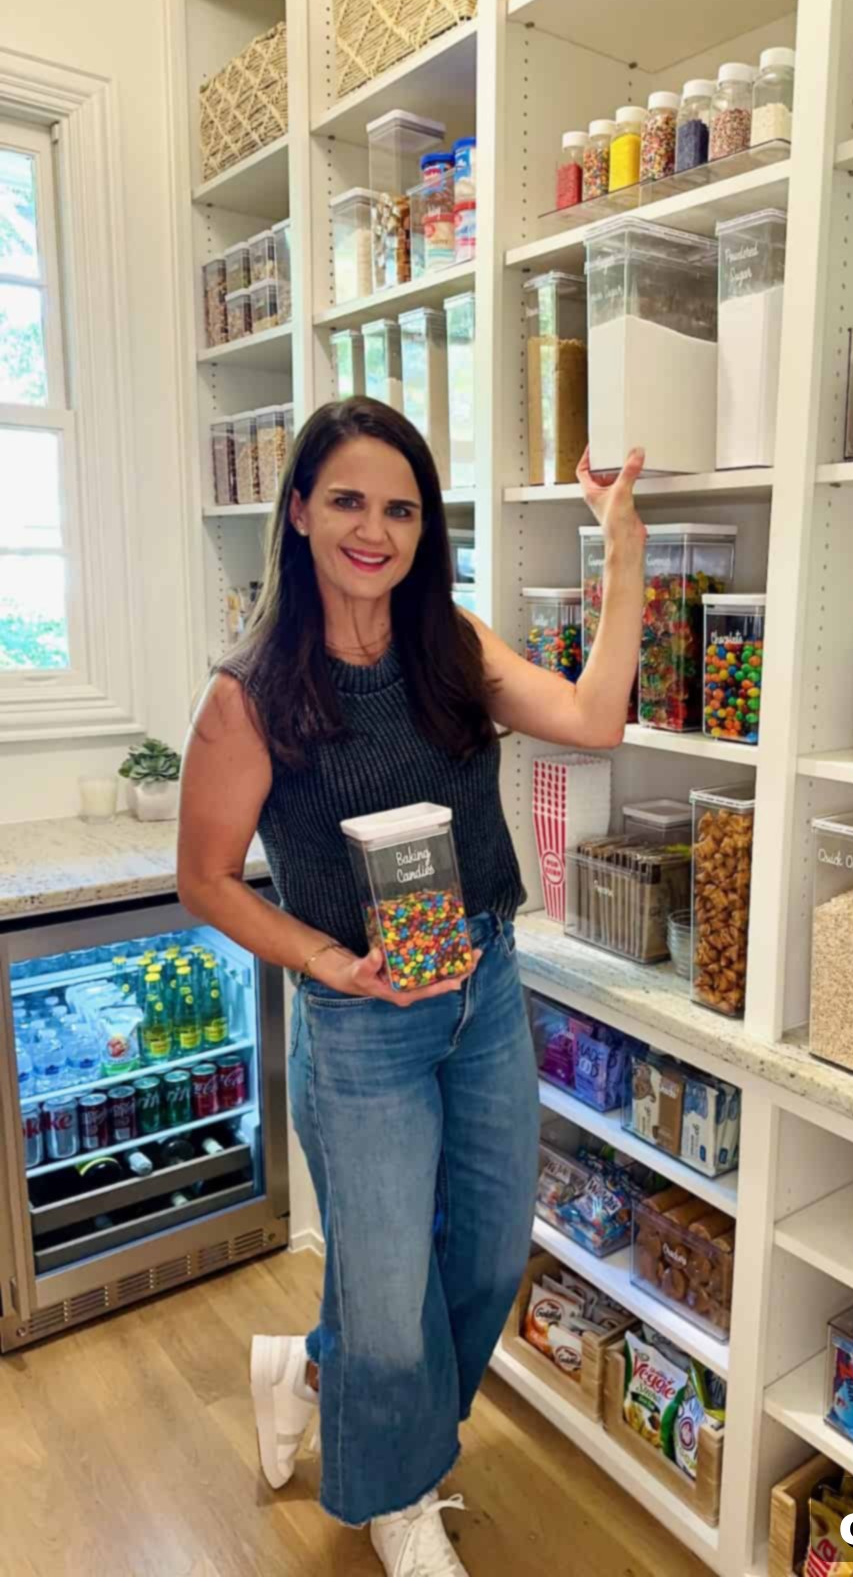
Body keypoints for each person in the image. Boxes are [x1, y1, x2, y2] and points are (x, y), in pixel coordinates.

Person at [177, 398, 644, 1576]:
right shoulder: (249, 696)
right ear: (298, 512)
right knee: (388, 1291)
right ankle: (398, 1494)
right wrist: (329, 959)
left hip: (484, 989)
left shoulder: (453, 645)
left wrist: (622, 543)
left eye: (401, 506)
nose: (374, 529)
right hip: (360, 1021)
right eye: (347, 500)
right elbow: (206, 880)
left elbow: (595, 719)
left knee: (486, 1255)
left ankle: (311, 1366)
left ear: (425, 526)